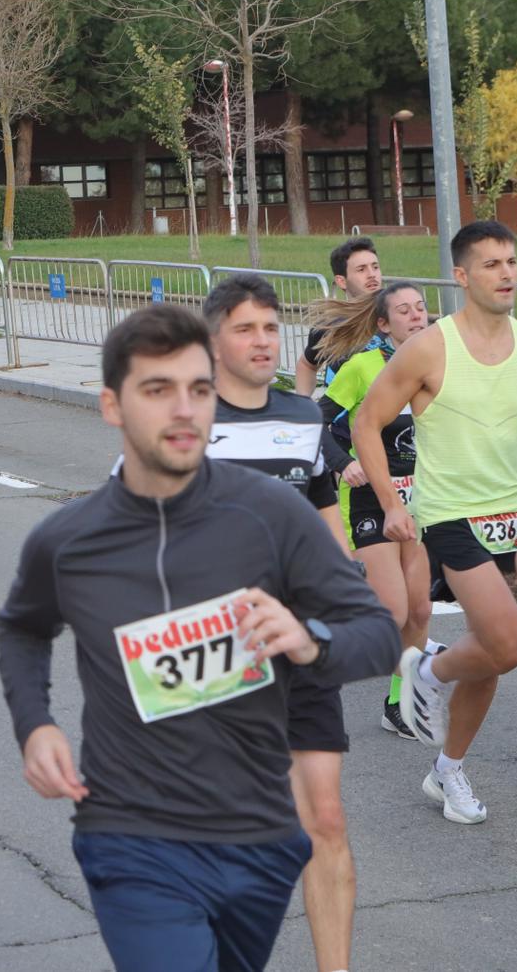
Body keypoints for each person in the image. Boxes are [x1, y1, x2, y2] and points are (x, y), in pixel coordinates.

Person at [0, 303, 398, 972]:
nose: (184, 410)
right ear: (111, 405)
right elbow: (22, 628)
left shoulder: (271, 514)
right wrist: (35, 724)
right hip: (131, 837)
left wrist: (309, 641)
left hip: (258, 840)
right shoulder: (69, 540)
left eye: (198, 390)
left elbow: (379, 632)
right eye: (158, 391)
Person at [352, 220, 517, 824]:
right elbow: (365, 423)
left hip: (513, 518)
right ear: (461, 275)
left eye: (511, 261)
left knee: (494, 655)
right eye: (491, 264)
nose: (506, 274)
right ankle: (425, 667)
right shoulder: (430, 347)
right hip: (450, 515)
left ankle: (446, 771)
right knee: (509, 643)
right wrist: (393, 505)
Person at [198, 275, 360, 972]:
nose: (262, 340)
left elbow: (328, 522)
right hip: (214, 656)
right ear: (212, 341)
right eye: (244, 328)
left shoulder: (304, 416)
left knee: (323, 821)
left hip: (299, 644)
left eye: (270, 327)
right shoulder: (184, 420)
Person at [312, 282, 436, 740]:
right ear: (383, 324)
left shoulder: (438, 364)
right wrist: (343, 465)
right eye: (403, 310)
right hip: (372, 499)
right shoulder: (363, 366)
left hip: (422, 500)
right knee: (394, 611)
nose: (416, 316)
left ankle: (399, 704)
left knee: (420, 611)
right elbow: (317, 420)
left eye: (421, 307)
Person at [295, 238, 386, 397]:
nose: (372, 275)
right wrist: (304, 404)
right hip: (342, 420)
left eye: (375, 267)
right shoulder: (330, 326)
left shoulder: (398, 317)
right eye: (361, 269)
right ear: (341, 281)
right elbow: (307, 365)